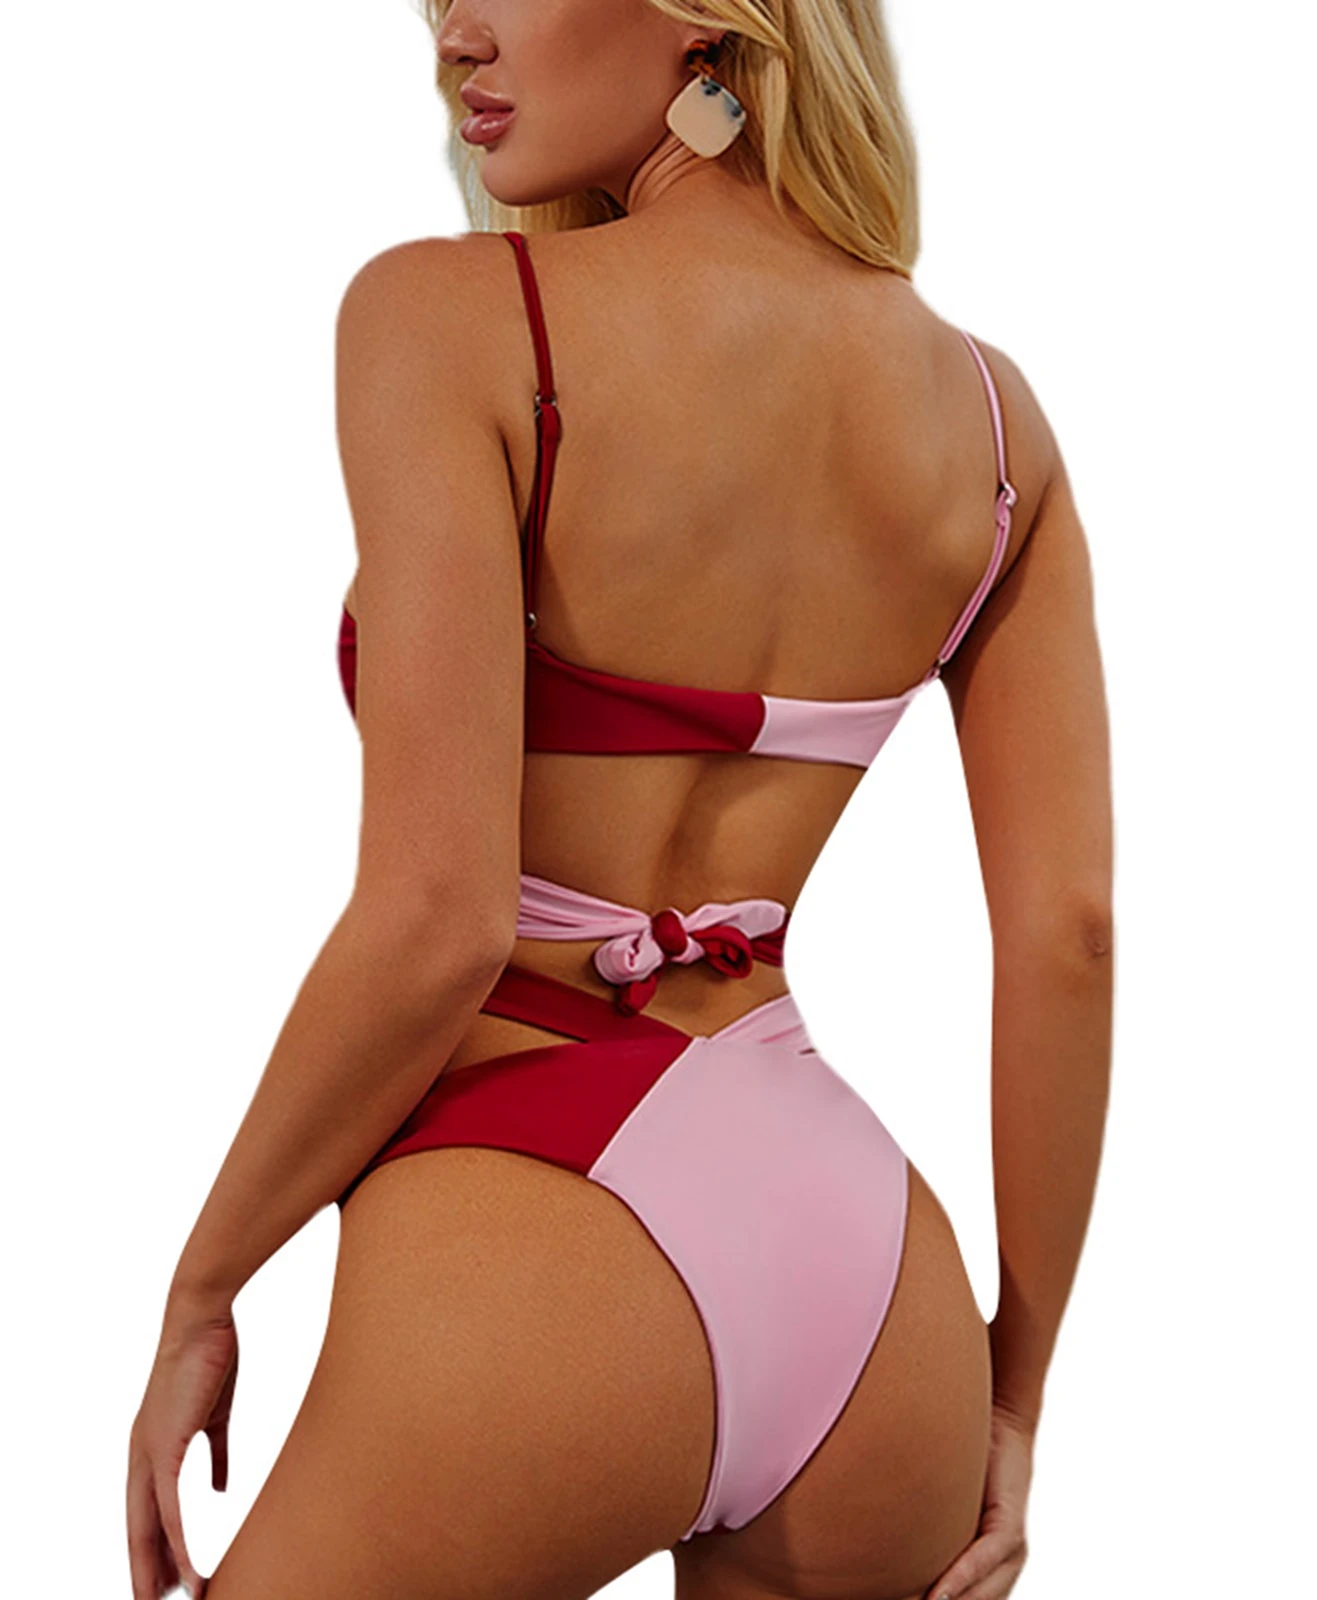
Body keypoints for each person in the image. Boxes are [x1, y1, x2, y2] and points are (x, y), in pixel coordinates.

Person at [126, 2, 1114, 1597]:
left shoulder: (450, 321)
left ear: (708, 20)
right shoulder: (999, 428)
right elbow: (1071, 936)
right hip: (870, 1289)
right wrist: (1012, 1394)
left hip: (538, 1204)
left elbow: (438, 922)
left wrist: (205, 1283)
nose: (455, 34)